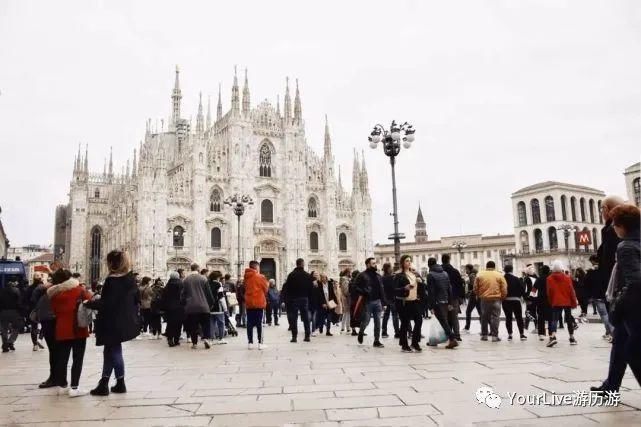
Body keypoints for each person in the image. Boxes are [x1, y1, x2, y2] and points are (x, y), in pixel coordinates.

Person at [592, 203, 641, 394]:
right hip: (633, 306)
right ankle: (611, 386)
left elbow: (635, 282)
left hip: (634, 307)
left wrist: (618, 306)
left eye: (614, 223)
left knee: (633, 352)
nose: (612, 226)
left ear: (622, 225)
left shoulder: (626, 246)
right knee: (620, 343)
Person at [87, 250, 140, 396]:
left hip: (111, 321)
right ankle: (106, 383)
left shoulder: (112, 280)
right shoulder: (130, 279)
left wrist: (89, 303)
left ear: (112, 263)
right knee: (110, 351)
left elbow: (107, 303)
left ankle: (116, 383)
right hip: (125, 320)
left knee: (113, 351)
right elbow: (136, 299)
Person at [47, 268, 92, 397]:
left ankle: (62, 385)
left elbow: (54, 310)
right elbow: (90, 299)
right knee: (77, 358)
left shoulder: (53, 293)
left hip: (61, 328)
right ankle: (74, 387)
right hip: (77, 327)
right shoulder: (79, 290)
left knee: (62, 358)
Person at [31, 273, 57, 387]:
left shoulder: (47, 291)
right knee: (59, 352)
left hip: (49, 321)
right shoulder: (59, 290)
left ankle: (54, 378)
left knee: (54, 351)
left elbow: (33, 298)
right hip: (54, 320)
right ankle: (59, 377)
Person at [426, 257, 458, 349]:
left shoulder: (430, 275)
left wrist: (431, 305)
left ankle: (452, 339)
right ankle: (435, 340)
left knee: (443, 321)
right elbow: (449, 289)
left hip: (437, 302)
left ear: (429, 265)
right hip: (445, 300)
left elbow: (431, 291)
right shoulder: (445, 273)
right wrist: (450, 302)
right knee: (443, 321)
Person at [353, 257, 386, 348]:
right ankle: (361, 332)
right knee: (366, 321)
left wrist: (383, 302)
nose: (375, 265)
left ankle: (376, 340)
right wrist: (364, 291)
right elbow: (354, 286)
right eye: (373, 263)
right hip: (368, 302)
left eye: (375, 263)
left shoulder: (378, 276)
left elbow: (382, 290)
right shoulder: (362, 275)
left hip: (378, 302)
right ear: (368, 264)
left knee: (378, 322)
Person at [182, 263, 215, 349]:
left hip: (191, 307)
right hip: (204, 306)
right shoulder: (203, 279)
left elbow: (183, 295)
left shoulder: (186, 280)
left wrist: (184, 305)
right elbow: (209, 294)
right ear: (198, 269)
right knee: (206, 324)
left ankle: (194, 343)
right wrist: (211, 304)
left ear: (191, 269)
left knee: (193, 325)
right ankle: (206, 339)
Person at [394, 255, 423, 352]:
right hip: (404, 302)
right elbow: (394, 290)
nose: (409, 262)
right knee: (405, 323)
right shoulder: (398, 275)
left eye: (410, 261)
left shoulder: (414, 274)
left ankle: (415, 342)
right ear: (402, 263)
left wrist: (420, 281)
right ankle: (404, 344)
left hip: (414, 300)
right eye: (407, 261)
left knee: (419, 320)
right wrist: (404, 288)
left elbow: (420, 287)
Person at [546, 261, 578, 347]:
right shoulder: (567, 278)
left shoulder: (549, 278)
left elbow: (549, 292)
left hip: (556, 301)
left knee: (554, 320)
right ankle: (572, 338)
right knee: (569, 320)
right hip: (567, 301)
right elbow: (571, 291)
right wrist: (574, 302)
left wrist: (551, 301)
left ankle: (553, 336)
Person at [281, 258, 313, 343]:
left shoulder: (291, 275)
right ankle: (307, 336)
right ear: (302, 264)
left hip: (293, 299)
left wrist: (287, 300)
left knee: (293, 318)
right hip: (304, 299)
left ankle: (294, 337)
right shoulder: (307, 275)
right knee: (306, 318)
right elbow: (311, 289)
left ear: (296, 264)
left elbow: (287, 289)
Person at [474, 261, 507, 342]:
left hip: (484, 299)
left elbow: (475, 288)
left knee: (484, 317)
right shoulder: (499, 275)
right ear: (494, 267)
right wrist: (502, 297)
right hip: (496, 299)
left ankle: (484, 335)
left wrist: (479, 295)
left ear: (486, 266)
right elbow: (504, 288)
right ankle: (494, 336)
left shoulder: (480, 275)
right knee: (495, 317)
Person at [585, 255, 612, 341]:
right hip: (607, 294)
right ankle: (609, 332)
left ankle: (610, 332)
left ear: (593, 261)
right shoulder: (605, 270)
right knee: (608, 313)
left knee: (604, 315)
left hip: (597, 296)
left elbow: (587, 283)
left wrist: (589, 296)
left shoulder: (591, 272)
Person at [243, 261, 269, 350]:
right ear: (256, 267)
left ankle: (250, 343)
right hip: (258, 303)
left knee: (249, 323)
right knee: (259, 323)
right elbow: (266, 289)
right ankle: (260, 343)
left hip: (249, 303)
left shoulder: (245, 277)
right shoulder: (260, 277)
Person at [441, 254, 464, 341]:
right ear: (449, 260)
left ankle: (447, 335)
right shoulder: (455, 271)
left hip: (442, 297)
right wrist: (461, 297)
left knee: (444, 317)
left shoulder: (439, 271)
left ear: (442, 260)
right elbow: (460, 285)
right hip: (454, 297)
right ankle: (457, 335)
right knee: (454, 317)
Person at [503, 264, 527, 341]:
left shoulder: (502, 279)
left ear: (504, 270)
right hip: (516, 300)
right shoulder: (516, 279)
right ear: (512, 270)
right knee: (519, 318)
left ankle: (510, 335)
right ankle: (522, 334)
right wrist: (525, 298)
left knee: (508, 318)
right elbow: (522, 290)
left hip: (506, 301)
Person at [161, 271, 184, 347]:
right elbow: (183, 295)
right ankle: (176, 340)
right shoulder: (181, 284)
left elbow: (163, 297)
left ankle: (170, 338)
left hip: (169, 308)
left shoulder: (167, 285)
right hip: (179, 307)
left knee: (170, 323)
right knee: (178, 323)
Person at [0, 278, 23, 353]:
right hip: (14, 312)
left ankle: (5, 345)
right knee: (16, 327)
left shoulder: (1, 291)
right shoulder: (16, 291)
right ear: (12, 283)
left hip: (3, 312)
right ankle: (10, 341)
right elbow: (19, 302)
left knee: (4, 330)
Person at [25, 273, 45, 351]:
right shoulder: (44, 288)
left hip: (33, 309)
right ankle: (40, 339)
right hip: (42, 309)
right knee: (44, 325)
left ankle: (35, 344)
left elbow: (26, 300)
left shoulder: (29, 288)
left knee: (34, 326)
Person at [208, 271, 228, 345]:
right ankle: (221, 338)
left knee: (212, 323)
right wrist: (225, 308)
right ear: (217, 277)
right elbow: (221, 297)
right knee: (221, 323)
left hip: (210, 306)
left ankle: (211, 339)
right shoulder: (218, 284)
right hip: (218, 306)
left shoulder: (208, 283)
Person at [381, 263, 400, 339]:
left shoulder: (382, 277)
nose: (392, 269)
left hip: (386, 299)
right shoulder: (392, 277)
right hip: (392, 298)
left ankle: (384, 332)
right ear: (388, 269)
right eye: (391, 267)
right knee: (395, 315)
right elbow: (394, 288)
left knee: (386, 316)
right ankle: (397, 332)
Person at [463, 264, 481, 333]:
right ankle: (483, 327)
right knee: (480, 312)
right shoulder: (474, 275)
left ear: (469, 269)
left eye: (466, 269)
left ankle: (467, 327)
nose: (465, 271)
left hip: (474, 296)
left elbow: (474, 286)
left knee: (468, 311)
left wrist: (471, 292)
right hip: (477, 296)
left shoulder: (472, 275)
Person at [522, 264, 539, 332]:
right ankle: (530, 326)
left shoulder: (527, 279)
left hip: (529, 297)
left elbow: (525, 289)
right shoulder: (536, 278)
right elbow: (535, 289)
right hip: (536, 297)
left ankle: (527, 326)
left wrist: (525, 297)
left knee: (528, 312)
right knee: (533, 312)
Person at [339, 270, 351, 334]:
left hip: (344, 296)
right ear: (347, 273)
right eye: (349, 272)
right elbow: (345, 288)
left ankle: (343, 327)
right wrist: (347, 295)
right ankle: (348, 327)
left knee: (345, 312)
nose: (350, 273)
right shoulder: (344, 279)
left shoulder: (344, 279)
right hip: (346, 297)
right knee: (347, 312)